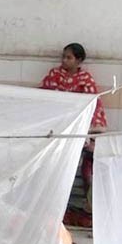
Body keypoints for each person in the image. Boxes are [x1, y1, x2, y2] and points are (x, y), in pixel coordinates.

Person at [39, 43, 106, 224]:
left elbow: (93, 106)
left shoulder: (85, 79)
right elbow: (44, 99)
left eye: (69, 57)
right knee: (51, 165)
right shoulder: (54, 75)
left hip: (81, 130)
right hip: (57, 128)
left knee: (88, 160)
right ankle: (51, 206)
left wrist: (85, 128)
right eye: (64, 57)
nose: (64, 61)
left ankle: (87, 208)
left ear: (79, 60)